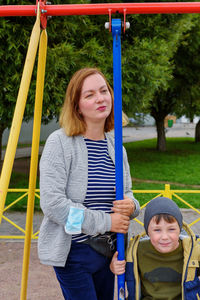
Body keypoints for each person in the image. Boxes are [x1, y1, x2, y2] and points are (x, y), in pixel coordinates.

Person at [38, 67, 140, 300]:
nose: (100, 98)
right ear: (77, 106)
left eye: (104, 90)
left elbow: (127, 194)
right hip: (73, 251)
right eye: (89, 94)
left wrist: (132, 206)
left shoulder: (117, 147)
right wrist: (107, 221)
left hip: (109, 252)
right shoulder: (60, 143)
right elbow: (53, 205)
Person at [110, 197, 200, 300]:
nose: (165, 237)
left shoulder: (192, 249)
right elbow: (124, 271)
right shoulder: (136, 250)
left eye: (171, 229)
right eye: (157, 230)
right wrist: (114, 267)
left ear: (179, 229)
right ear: (148, 232)